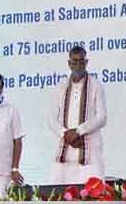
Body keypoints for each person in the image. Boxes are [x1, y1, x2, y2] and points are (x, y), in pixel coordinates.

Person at [47, 46, 107, 184]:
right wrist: (65, 134)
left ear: (86, 62)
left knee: (93, 191)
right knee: (58, 191)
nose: (78, 65)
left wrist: (79, 131)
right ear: (69, 63)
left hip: (90, 150)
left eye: (81, 61)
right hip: (66, 149)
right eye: (74, 61)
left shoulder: (96, 85)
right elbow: (51, 118)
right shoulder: (61, 86)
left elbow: (102, 117)